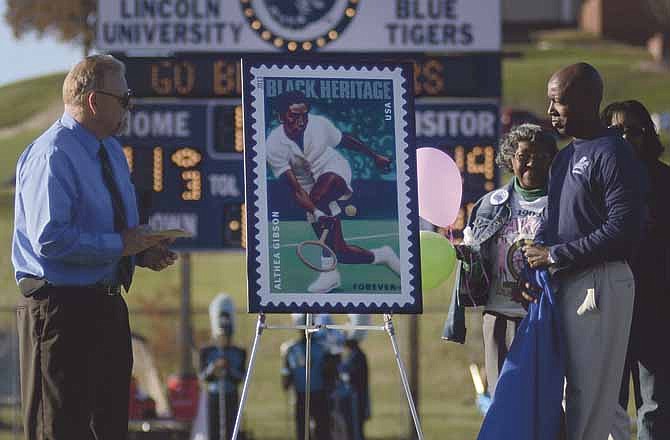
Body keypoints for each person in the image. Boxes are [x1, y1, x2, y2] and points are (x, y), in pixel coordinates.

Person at [12, 54, 177, 440]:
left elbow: (113, 230)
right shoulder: (53, 153)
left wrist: (141, 251)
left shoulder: (113, 153)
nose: (129, 107)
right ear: (94, 101)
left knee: (108, 430)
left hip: (107, 306)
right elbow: (51, 240)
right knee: (60, 430)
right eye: (125, 98)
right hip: (60, 312)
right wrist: (122, 244)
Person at [523, 63, 645, 440]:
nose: (550, 111)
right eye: (549, 102)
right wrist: (531, 266)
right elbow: (553, 226)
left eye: (558, 102)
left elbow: (622, 230)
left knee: (589, 402)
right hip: (566, 284)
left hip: (601, 282)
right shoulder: (563, 158)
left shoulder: (614, 153)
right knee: (567, 397)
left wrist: (555, 256)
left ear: (586, 101)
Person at [451, 124, 557, 396]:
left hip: (549, 319)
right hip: (500, 317)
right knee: (502, 401)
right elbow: (474, 268)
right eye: (524, 156)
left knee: (546, 402)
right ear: (510, 158)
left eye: (541, 156)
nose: (532, 163)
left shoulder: (564, 205)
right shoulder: (489, 204)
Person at [266, 90, 401, 293]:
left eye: (304, 115)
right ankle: (382, 256)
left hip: (334, 169)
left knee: (323, 191)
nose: (301, 121)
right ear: (281, 117)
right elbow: (295, 189)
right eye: (294, 115)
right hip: (308, 190)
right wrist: (318, 213)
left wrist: (375, 156)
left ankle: (328, 273)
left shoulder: (319, 124)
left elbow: (345, 140)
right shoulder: (273, 145)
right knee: (341, 251)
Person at [602, 100, 670, 440]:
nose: (625, 138)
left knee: (654, 407)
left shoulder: (665, 181)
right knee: (607, 408)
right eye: (616, 131)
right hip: (606, 309)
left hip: (655, 311)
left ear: (648, 136)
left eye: (634, 131)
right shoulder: (594, 184)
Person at [281, 314, 339, 440]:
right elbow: (285, 379)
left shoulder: (323, 348)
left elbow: (330, 374)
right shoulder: (291, 349)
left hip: (320, 395)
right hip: (301, 396)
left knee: (323, 432)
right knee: (302, 432)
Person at [200, 293, 246, 440]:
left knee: (232, 431)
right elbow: (203, 376)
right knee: (213, 432)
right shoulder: (206, 351)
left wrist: (228, 369)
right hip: (213, 396)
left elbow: (241, 377)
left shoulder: (239, 351)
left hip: (231, 395)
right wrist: (214, 368)